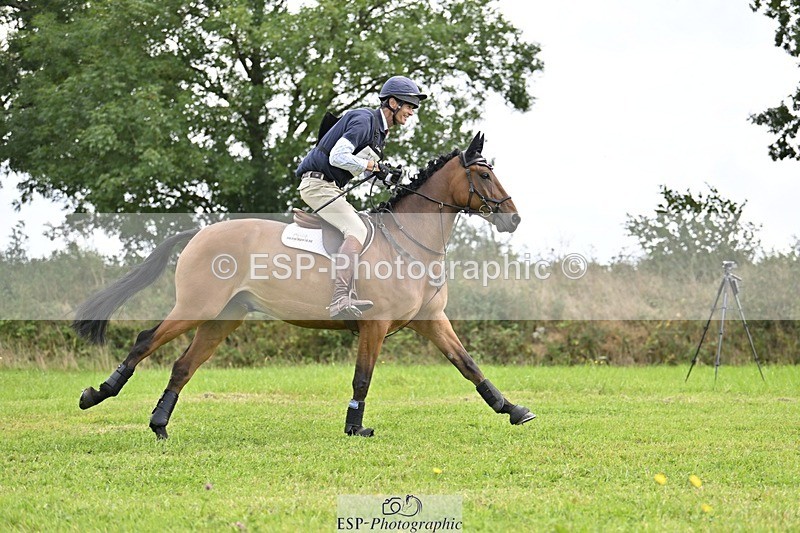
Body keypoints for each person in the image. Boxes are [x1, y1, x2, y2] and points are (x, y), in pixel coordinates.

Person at [295, 75, 427, 320]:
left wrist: (389, 176)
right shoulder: (365, 119)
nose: (411, 112)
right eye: (409, 105)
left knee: (365, 226)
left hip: (330, 186)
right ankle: (339, 298)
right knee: (357, 229)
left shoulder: (378, 134)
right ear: (393, 102)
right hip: (317, 184)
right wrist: (374, 166)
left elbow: (364, 168)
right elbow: (337, 156)